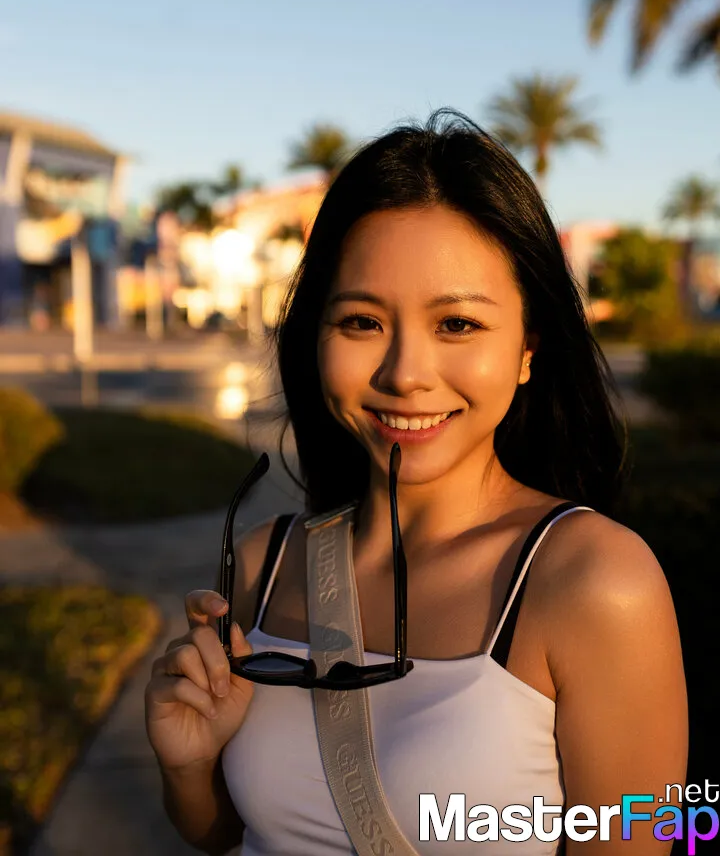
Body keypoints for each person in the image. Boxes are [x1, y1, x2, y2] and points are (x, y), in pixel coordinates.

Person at [145, 110, 687, 855]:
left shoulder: (594, 582)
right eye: (361, 322)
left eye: (457, 324)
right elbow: (228, 834)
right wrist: (188, 763)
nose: (404, 374)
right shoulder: (265, 566)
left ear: (528, 349)